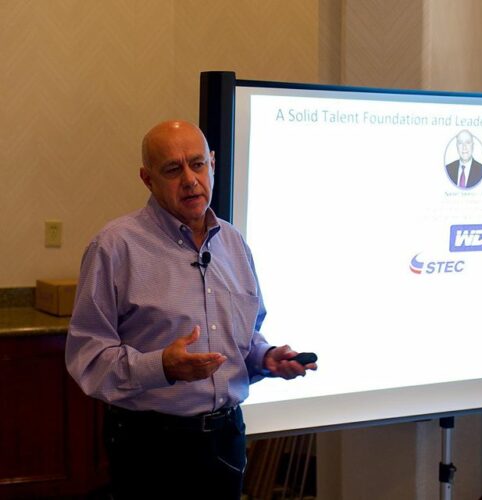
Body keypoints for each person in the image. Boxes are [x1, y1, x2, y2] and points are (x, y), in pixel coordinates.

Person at [65, 120, 317, 500]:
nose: (189, 180)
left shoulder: (233, 243)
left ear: (212, 164)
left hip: (226, 439)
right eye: (172, 169)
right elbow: (88, 357)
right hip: (150, 444)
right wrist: (162, 367)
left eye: (197, 165)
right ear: (147, 179)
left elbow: (245, 335)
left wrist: (264, 357)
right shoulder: (114, 247)